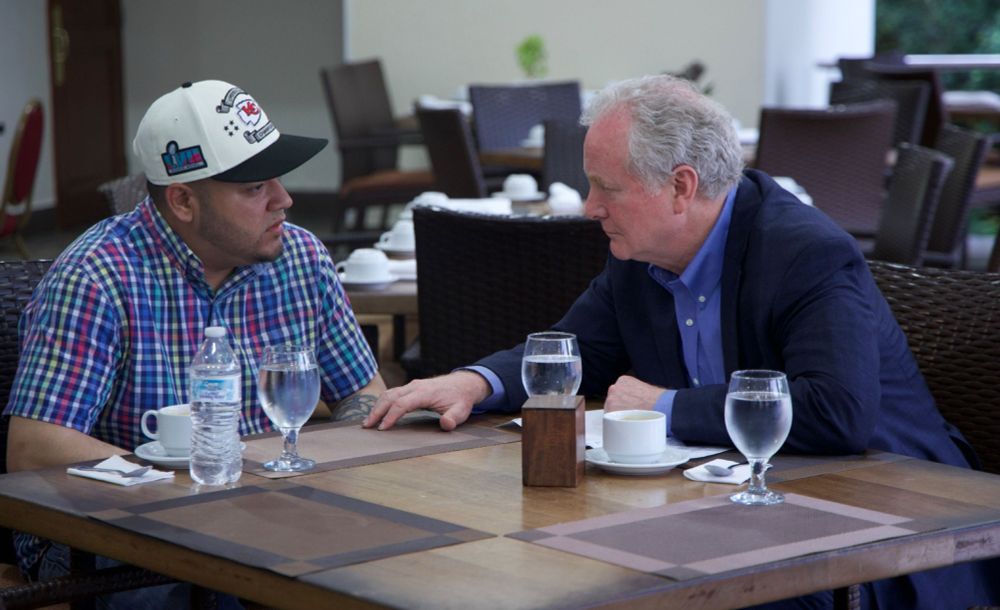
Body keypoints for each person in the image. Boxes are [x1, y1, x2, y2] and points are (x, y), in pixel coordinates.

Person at [364, 75, 997, 609]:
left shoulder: (805, 253)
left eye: (607, 188)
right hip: (741, 509)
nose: (588, 207)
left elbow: (837, 410)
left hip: (892, 524)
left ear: (681, 187)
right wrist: (474, 382)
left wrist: (663, 406)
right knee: (563, 566)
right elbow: (575, 351)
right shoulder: (640, 255)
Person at [3, 79, 385, 605]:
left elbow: (364, 393)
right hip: (111, 533)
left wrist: (309, 476)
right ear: (183, 200)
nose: (284, 200)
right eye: (255, 187)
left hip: (269, 515)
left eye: (279, 178)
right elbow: (35, 448)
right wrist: (195, 491)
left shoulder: (301, 258)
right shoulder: (98, 276)